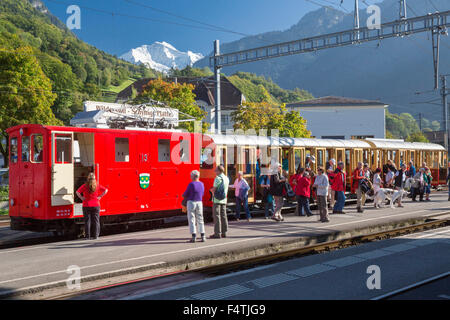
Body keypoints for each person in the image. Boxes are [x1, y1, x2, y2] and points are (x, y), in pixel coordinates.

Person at [76, 173, 108, 240]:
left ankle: (87, 236)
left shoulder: (85, 186)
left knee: (87, 221)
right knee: (96, 221)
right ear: (94, 178)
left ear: (88, 178)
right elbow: (106, 190)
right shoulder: (97, 185)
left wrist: (81, 197)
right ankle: (96, 236)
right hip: (96, 205)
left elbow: (77, 192)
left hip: (86, 205)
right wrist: (100, 196)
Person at [183, 170, 205, 243]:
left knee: (192, 219)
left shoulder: (191, 184)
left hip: (191, 202)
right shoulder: (202, 184)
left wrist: (183, 195)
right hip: (199, 202)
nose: (190, 177)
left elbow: (185, 194)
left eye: (191, 176)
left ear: (193, 176)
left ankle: (194, 236)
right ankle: (203, 235)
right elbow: (202, 194)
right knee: (200, 218)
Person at [209, 165, 230, 239]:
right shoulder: (226, 178)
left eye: (216, 170)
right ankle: (224, 232)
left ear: (219, 171)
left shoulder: (217, 178)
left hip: (217, 200)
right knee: (224, 216)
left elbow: (214, 189)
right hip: (224, 200)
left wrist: (210, 190)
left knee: (216, 216)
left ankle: (217, 233)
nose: (215, 172)